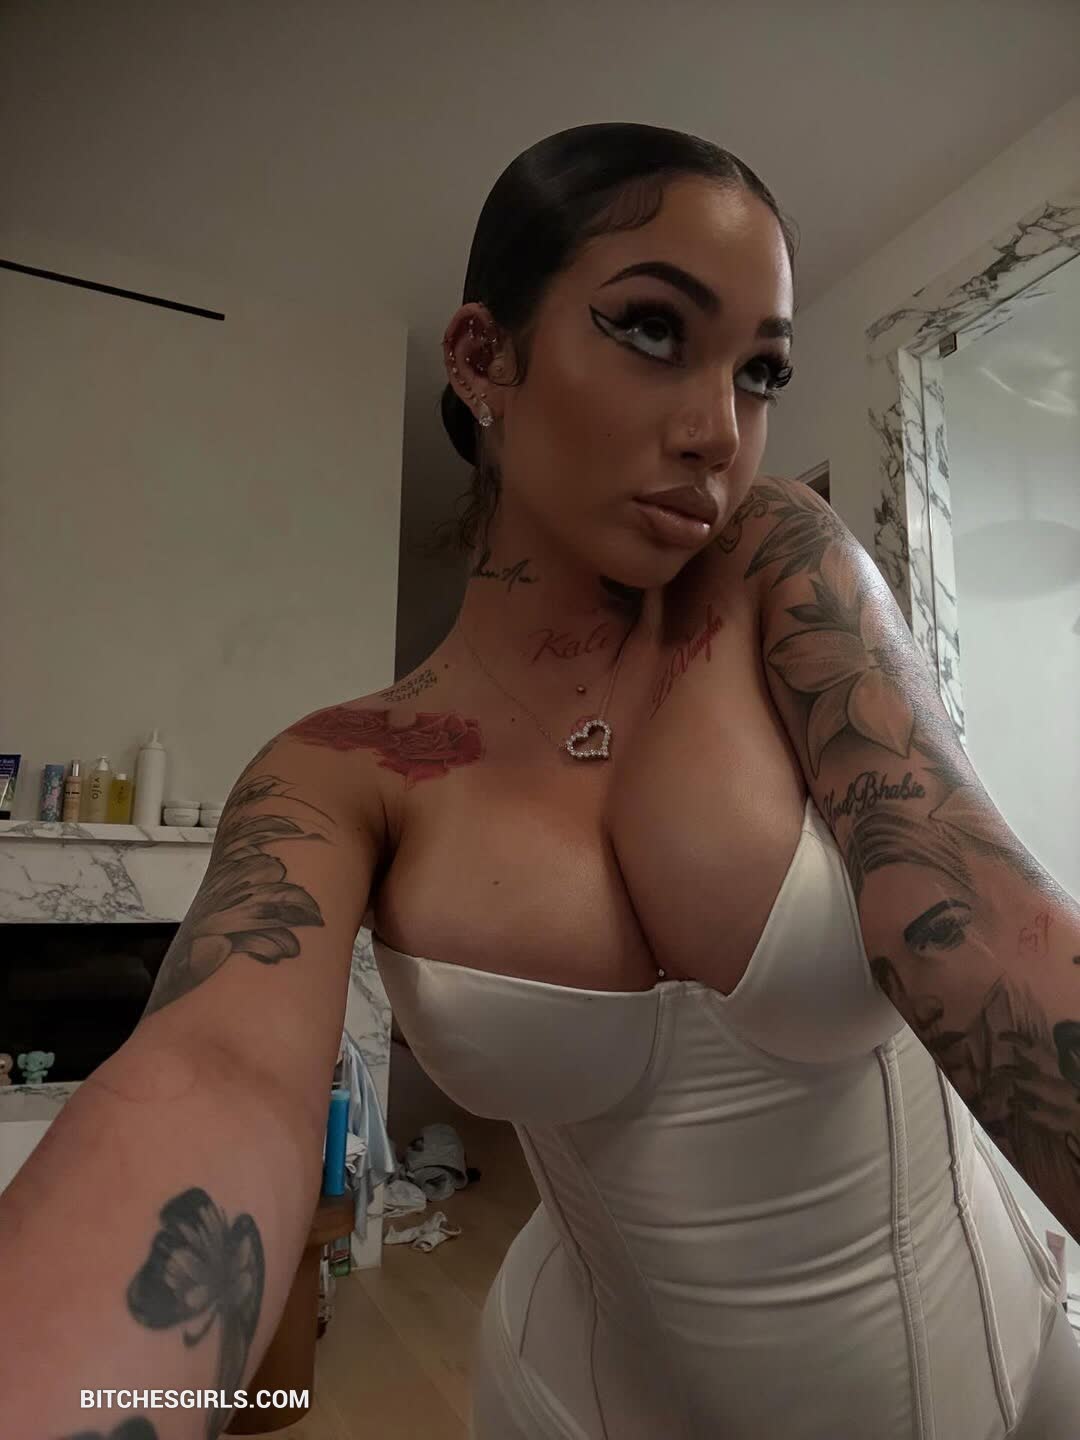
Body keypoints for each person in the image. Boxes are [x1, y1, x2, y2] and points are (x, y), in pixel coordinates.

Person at [3, 122, 1079, 1439]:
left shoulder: (773, 570)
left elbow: (983, 919)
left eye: (761, 371)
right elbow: (211, 1077)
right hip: (580, 1402)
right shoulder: (340, 771)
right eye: (652, 330)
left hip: (997, 1380)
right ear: (481, 358)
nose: (718, 431)